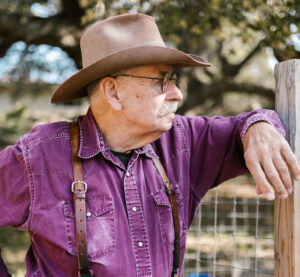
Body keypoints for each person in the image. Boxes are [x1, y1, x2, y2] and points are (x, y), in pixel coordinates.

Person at [0, 13, 299, 277]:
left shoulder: (183, 142)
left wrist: (258, 129)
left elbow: (240, 127)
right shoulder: (39, 156)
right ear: (113, 92)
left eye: (174, 79)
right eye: (162, 80)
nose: (178, 94)